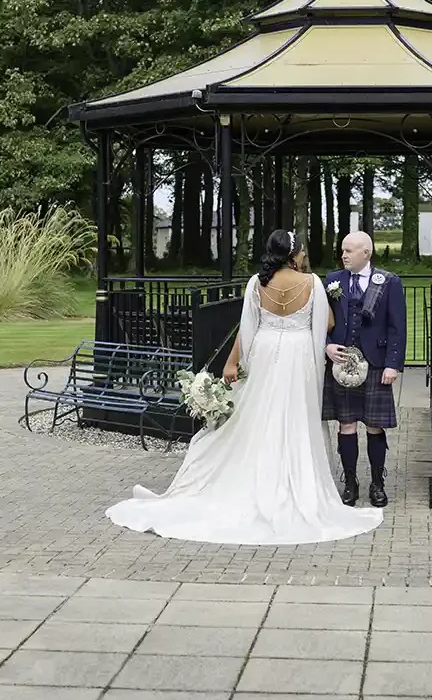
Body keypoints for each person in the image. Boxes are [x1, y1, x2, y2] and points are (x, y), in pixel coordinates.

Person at [105, 230, 384, 545]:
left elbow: (247, 326)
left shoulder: (256, 283)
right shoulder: (311, 283)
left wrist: (232, 362)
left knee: (259, 414)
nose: (305, 255)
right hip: (298, 356)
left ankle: (256, 475)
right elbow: (327, 324)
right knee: (294, 415)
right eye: (302, 251)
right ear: (293, 254)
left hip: (264, 351)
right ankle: (291, 479)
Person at [322, 231, 406, 508]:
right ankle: (350, 482)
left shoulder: (389, 282)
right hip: (342, 363)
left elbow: (397, 326)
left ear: (366, 253)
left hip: (376, 363)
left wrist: (393, 364)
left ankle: (377, 484)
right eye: (343, 250)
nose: (343, 255)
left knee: (374, 425)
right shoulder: (333, 280)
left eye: (349, 250)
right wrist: (326, 345)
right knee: (346, 424)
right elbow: (319, 320)